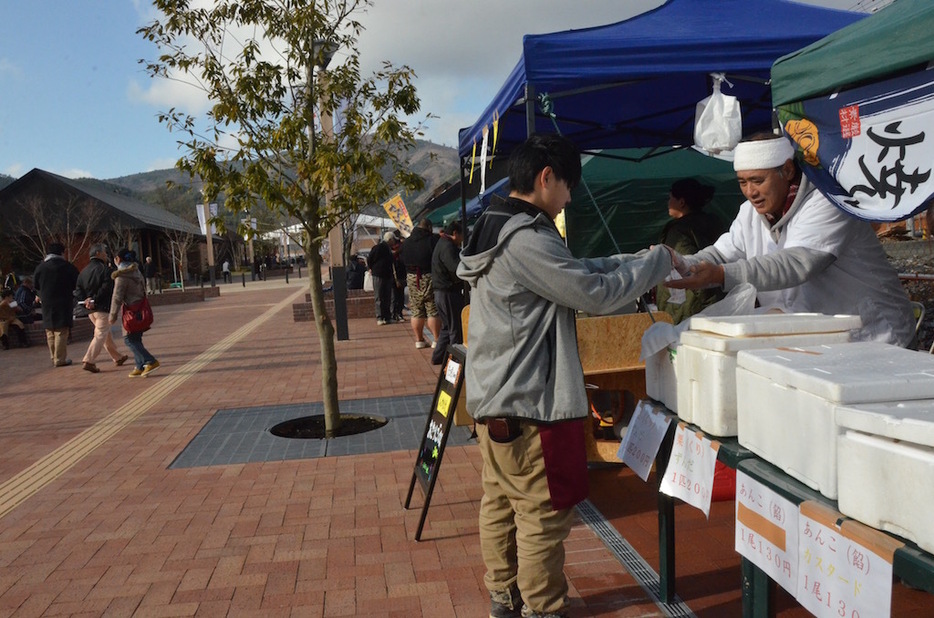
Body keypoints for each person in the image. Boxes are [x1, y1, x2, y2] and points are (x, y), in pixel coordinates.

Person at [457, 133, 678, 618]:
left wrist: (632, 261)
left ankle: (504, 598)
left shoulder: (493, 227)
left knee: (499, 503)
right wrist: (660, 261)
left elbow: (572, 270)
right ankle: (543, 609)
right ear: (546, 178)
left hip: (494, 402)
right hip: (531, 406)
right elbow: (593, 294)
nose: (571, 198)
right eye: (568, 187)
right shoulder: (527, 238)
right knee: (541, 516)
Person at [667, 133, 915, 347]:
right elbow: (722, 254)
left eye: (757, 180)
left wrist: (720, 274)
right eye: (743, 182)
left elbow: (797, 263)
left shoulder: (828, 201)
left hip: (875, 337)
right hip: (816, 341)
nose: (750, 192)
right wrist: (680, 263)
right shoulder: (749, 213)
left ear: (786, 170)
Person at [655, 178, 727, 323]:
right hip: (716, 296)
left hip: (690, 302)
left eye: (670, 198)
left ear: (681, 202)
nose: (668, 203)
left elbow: (679, 266)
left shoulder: (679, 231)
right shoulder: (714, 222)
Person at [75, 244, 128, 373]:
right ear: (98, 253)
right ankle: (89, 360)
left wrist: (86, 301)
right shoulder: (105, 270)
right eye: (104, 252)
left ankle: (117, 357)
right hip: (102, 308)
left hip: (90, 311)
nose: (106, 254)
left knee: (105, 334)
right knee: (100, 334)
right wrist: (95, 300)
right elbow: (106, 288)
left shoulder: (83, 271)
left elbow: (78, 290)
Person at [110, 248, 160, 378]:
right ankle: (140, 365)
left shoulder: (121, 276)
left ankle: (150, 360)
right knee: (136, 338)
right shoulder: (136, 271)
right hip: (141, 308)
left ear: (118, 259)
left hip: (131, 311)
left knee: (129, 340)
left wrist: (112, 315)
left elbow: (117, 297)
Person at [33, 242, 80, 367]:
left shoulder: (41, 267)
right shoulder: (67, 266)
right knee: (61, 331)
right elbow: (77, 282)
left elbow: (35, 285)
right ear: (61, 253)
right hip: (63, 302)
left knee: (50, 331)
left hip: (47, 302)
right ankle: (60, 359)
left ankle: (54, 357)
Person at [401, 219, 440, 349]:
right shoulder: (432, 240)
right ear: (429, 227)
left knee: (416, 310)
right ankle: (436, 339)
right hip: (429, 275)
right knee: (432, 309)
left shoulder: (406, 242)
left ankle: (419, 340)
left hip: (412, 277)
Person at [430, 219, 465, 365]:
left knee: (446, 328)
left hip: (440, 292)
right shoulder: (447, 246)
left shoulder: (442, 243)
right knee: (455, 329)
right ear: (455, 233)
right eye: (463, 235)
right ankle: (455, 363)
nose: (463, 239)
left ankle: (437, 357)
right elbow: (455, 268)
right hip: (448, 292)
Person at [367, 232, 396, 325]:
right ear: (390, 240)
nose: (394, 242)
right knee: (379, 296)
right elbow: (370, 258)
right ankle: (380, 316)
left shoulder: (387, 248)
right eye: (393, 240)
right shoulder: (379, 247)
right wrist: (372, 268)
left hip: (386, 274)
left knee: (386, 296)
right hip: (379, 274)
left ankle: (386, 317)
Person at [391, 230, 406, 323]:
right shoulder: (397, 253)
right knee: (397, 296)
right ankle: (396, 313)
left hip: (399, 276)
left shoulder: (396, 253)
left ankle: (397, 313)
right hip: (396, 277)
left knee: (398, 296)